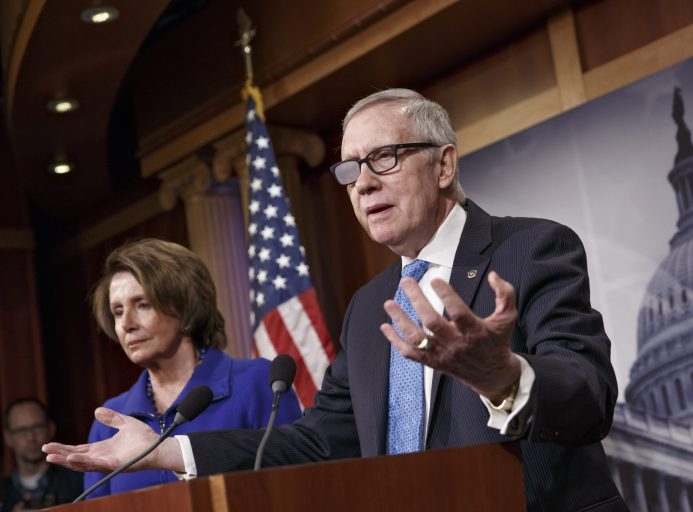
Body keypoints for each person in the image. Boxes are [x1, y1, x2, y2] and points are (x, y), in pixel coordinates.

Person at [45, 90, 628, 511]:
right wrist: (170, 450)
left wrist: (505, 377)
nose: (364, 183)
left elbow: (590, 395)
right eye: (351, 169)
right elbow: (317, 440)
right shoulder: (370, 304)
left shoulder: (531, 248)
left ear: (445, 163)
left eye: (385, 158)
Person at [81, 238, 301, 498]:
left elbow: (295, 485)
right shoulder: (110, 421)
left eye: (142, 305)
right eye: (117, 311)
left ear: (185, 309)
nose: (126, 324)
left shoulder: (256, 383)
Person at [1, 399, 82, 511]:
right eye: (21, 431)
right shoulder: (3, 493)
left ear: (51, 429)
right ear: (8, 437)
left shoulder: (78, 482)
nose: (31, 438)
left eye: (37, 427)